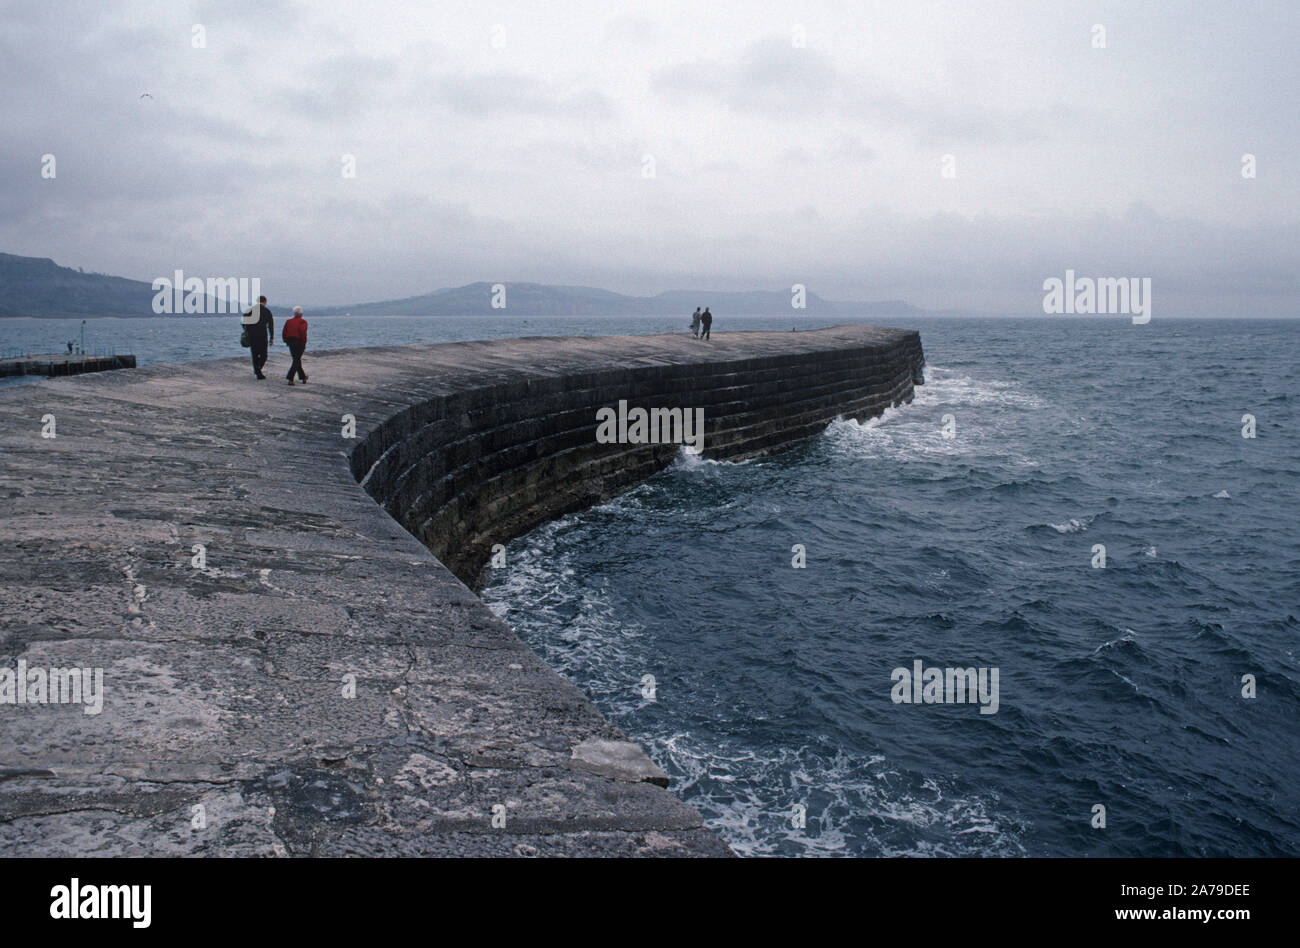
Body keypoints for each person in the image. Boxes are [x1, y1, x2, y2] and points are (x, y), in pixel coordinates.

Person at [241, 295, 274, 379]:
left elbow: (243, 321)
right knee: (264, 355)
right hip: (262, 336)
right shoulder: (267, 311)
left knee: (254, 354)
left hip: (252, 336)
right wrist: (271, 337)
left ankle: (257, 372)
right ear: (265, 302)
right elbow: (270, 325)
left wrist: (246, 330)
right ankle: (258, 369)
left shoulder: (249, 310)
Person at [282, 306, 309, 385]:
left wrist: (286, 341)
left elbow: (284, 332)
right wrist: (303, 344)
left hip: (291, 342)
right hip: (299, 342)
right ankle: (290, 378)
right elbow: (303, 333)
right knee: (296, 360)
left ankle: (303, 377)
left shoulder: (288, 321)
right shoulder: (303, 322)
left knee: (296, 360)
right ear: (301, 314)